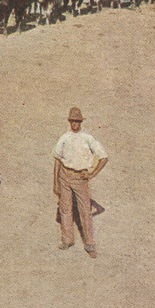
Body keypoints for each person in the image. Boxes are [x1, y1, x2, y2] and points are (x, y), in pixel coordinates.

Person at [52, 107, 108, 258]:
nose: (75, 124)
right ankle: (67, 240)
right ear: (69, 122)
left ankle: (89, 244)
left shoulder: (88, 138)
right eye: (72, 121)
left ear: (81, 122)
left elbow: (103, 157)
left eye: (77, 121)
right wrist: (55, 182)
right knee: (65, 208)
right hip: (64, 175)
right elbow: (57, 159)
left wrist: (92, 173)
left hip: (80, 178)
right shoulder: (64, 137)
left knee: (85, 211)